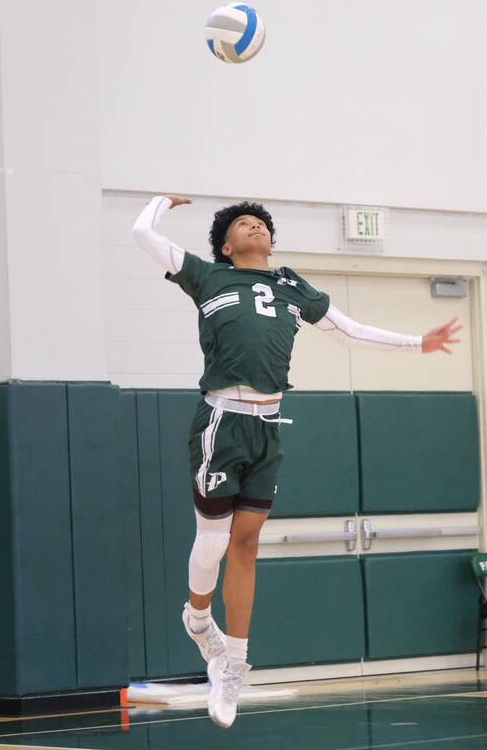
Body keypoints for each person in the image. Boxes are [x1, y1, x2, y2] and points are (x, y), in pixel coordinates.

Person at [132, 194, 462, 729]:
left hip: (268, 425)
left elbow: (348, 330)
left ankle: (233, 666)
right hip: (221, 421)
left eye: (261, 223)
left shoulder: (291, 285)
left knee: (246, 545)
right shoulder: (207, 276)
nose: (255, 227)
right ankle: (198, 619)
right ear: (225, 245)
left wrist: (416, 343)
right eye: (243, 223)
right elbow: (143, 235)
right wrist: (161, 202)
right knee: (214, 542)